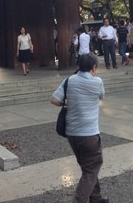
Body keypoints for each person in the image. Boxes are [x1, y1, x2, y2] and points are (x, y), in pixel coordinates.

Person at [50, 54, 108, 203]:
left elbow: (54, 100)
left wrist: (68, 104)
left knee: (87, 167)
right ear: (93, 67)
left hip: (72, 133)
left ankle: (96, 198)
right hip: (89, 133)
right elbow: (101, 96)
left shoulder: (68, 81)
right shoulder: (97, 82)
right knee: (92, 168)